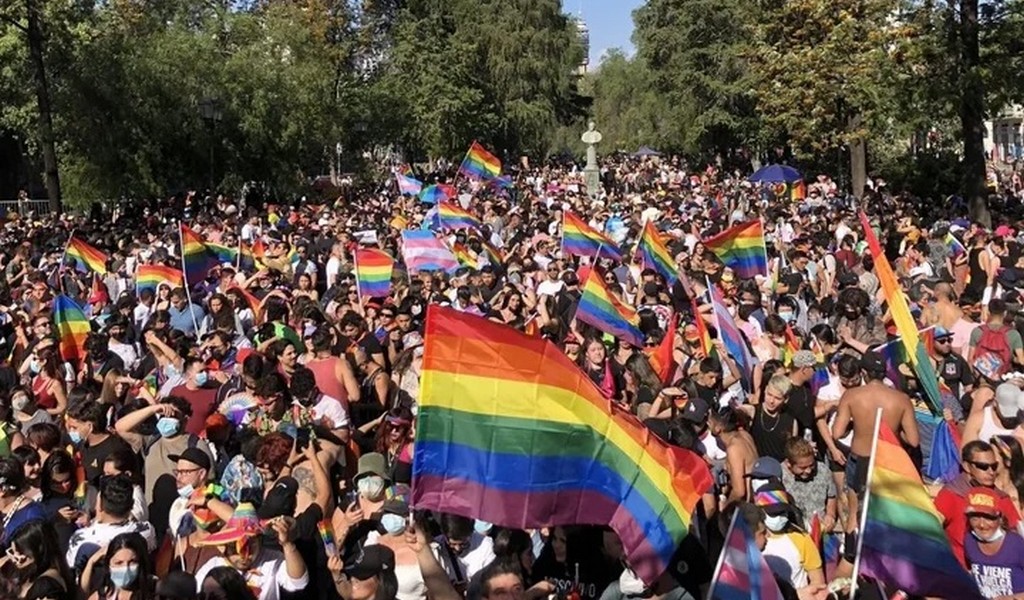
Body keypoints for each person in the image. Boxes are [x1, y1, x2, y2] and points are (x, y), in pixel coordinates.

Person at [831, 351, 919, 537]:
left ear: (863, 372)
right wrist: (893, 431)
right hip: (888, 460)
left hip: (860, 459)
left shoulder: (852, 396)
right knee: (887, 514)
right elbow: (913, 440)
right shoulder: (901, 399)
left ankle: (851, 552)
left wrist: (856, 424)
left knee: (854, 512)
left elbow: (837, 433)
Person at [194, 503, 309, 600]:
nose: (244, 555)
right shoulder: (213, 566)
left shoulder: (272, 559)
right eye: (235, 547)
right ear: (226, 544)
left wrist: (287, 544)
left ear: (259, 541)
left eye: (251, 545)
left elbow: (299, 582)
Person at [934, 440, 1022, 567]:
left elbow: (1016, 532)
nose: (991, 472)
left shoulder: (1001, 498)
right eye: (983, 466)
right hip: (959, 570)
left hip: (998, 570)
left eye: (994, 466)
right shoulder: (952, 494)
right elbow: (932, 527)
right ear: (966, 466)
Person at [66, 474, 157, 569]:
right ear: (131, 505)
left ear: (100, 506)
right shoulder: (146, 530)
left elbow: (73, 569)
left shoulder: (81, 538)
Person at [962, 486, 1024, 599]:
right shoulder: (970, 541)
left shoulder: (1017, 545)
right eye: (974, 518)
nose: (982, 525)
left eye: (988, 517)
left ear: (1000, 518)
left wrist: (1011, 598)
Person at [3, 519, 75, 600]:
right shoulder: (29, 575)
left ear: (37, 550)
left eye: (20, 552)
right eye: (13, 551)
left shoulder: (46, 585)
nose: (15, 558)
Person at [780, 437, 837, 532]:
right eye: (802, 467)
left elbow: (831, 495)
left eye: (811, 465)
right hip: (794, 532)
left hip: (820, 530)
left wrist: (830, 515)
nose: (808, 471)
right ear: (788, 463)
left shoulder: (823, 471)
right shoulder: (780, 476)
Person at [82, 532, 157, 600]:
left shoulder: (153, 592)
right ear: (108, 565)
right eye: (119, 563)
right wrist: (91, 562)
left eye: (132, 562)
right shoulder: (99, 596)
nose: (126, 568)